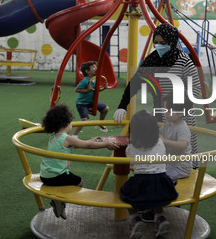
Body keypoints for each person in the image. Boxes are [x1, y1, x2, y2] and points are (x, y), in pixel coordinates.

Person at [113, 23, 201, 157]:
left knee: (182, 149)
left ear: (171, 42)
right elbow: (135, 83)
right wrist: (122, 105)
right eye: (156, 42)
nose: (159, 46)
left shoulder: (183, 61)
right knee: (161, 150)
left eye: (163, 42)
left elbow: (194, 89)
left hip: (180, 116)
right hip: (160, 112)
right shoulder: (152, 60)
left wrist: (178, 110)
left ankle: (187, 173)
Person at [40, 104, 119, 219]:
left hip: (45, 175)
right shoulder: (67, 138)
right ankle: (60, 201)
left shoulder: (54, 137)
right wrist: (106, 144)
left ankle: (58, 200)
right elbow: (88, 146)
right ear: (66, 123)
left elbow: (84, 143)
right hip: (57, 176)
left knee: (71, 179)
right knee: (79, 182)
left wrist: (91, 140)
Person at [120, 110, 178, 239]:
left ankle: (135, 219)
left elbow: (134, 165)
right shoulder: (160, 143)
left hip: (142, 185)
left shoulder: (130, 148)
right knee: (156, 190)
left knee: (125, 193)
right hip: (163, 185)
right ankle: (160, 217)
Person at [159, 93, 193, 182]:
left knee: (161, 177)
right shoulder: (168, 124)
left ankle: (169, 188)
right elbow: (158, 135)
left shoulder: (182, 128)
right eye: (165, 109)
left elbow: (183, 145)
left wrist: (164, 141)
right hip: (169, 164)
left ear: (181, 112)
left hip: (181, 167)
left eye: (169, 111)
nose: (165, 113)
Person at [73, 61, 109, 137]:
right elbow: (76, 89)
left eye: (96, 67)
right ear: (87, 71)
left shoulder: (95, 79)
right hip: (82, 103)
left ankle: (100, 123)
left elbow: (96, 90)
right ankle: (74, 135)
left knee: (105, 109)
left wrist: (103, 88)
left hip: (91, 102)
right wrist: (86, 90)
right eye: (93, 67)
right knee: (84, 119)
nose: (96, 68)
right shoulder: (85, 81)